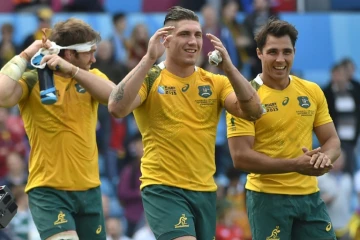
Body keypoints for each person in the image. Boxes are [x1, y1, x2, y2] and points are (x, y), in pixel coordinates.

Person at [108, 6, 263, 240]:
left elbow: (253, 111)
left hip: (205, 192)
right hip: (163, 188)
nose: (193, 41)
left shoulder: (215, 82)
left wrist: (230, 68)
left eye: (197, 35)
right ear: (165, 39)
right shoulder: (150, 78)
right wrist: (149, 58)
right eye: (185, 34)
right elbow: (116, 108)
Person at [0, 18, 115, 240]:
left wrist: (72, 70)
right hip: (49, 190)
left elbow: (115, 98)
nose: (94, 58)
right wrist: (25, 55)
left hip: (89, 189)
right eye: (89, 52)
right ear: (70, 54)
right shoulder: (34, 79)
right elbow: (2, 95)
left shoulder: (91, 77)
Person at [226, 19, 341, 240]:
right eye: (273, 52)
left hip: (310, 197)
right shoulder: (244, 97)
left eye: (287, 52)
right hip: (267, 199)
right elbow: (240, 157)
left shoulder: (311, 91)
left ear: (294, 52)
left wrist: (324, 159)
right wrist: (295, 165)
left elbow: (332, 141)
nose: (280, 59)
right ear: (259, 53)